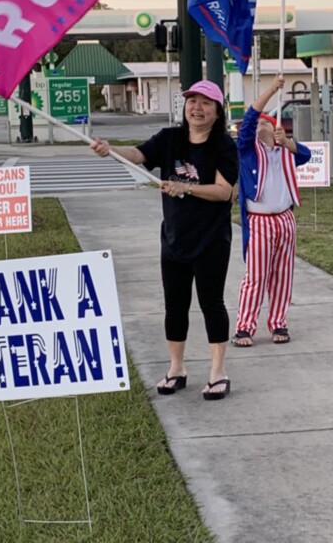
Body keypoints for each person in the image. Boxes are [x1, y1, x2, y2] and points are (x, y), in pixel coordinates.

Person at [90, 79, 239, 400]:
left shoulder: (224, 146)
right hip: (174, 240)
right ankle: (176, 368)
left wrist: (185, 187)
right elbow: (140, 154)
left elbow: (224, 191)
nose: (197, 108)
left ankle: (218, 372)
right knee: (175, 305)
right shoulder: (170, 139)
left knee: (211, 303)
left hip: (211, 241)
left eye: (205, 103)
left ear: (217, 111)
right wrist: (111, 150)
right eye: (192, 101)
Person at [232, 75, 311, 347]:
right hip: (260, 221)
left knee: (282, 275)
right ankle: (245, 326)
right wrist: (271, 90)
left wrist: (287, 143)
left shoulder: (284, 152)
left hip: (285, 219)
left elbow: (305, 155)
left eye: (268, 121)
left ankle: (278, 322)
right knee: (256, 275)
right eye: (261, 122)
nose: (262, 124)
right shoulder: (248, 151)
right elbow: (249, 119)